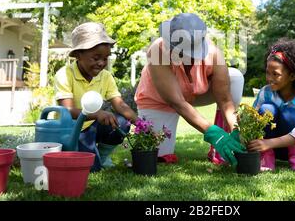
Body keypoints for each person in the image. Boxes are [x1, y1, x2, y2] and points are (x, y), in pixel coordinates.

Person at [134, 13, 246, 166]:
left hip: (195, 94)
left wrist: (236, 130)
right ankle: (218, 136)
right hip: (159, 101)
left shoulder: (213, 53)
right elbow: (177, 102)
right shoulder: (157, 51)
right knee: (156, 155)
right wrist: (211, 132)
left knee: (235, 77)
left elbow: (225, 99)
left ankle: (220, 145)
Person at [54, 22, 137, 172]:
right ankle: (91, 155)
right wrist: (97, 114)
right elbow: (67, 110)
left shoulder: (105, 77)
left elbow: (120, 105)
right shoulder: (64, 75)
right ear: (79, 55)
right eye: (96, 58)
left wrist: (143, 126)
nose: (101, 63)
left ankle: (103, 156)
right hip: (71, 131)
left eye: (105, 58)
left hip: (92, 126)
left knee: (122, 122)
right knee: (91, 168)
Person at [248, 38, 295, 172]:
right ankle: (267, 157)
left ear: (292, 76)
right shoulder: (265, 93)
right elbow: (253, 119)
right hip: (266, 147)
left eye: (276, 74)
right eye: (267, 72)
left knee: (290, 113)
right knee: (267, 109)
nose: (269, 78)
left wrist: (268, 143)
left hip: (292, 144)